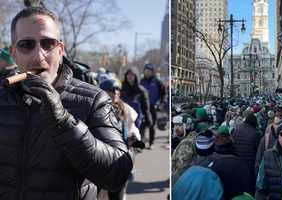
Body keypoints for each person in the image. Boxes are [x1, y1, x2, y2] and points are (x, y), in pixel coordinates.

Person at [3, 7, 132, 199]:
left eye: (48, 44)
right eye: (26, 45)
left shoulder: (94, 100)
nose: (39, 56)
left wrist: (64, 123)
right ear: (14, 53)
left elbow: (117, 175)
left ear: (60, 50)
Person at [140, 63, 166, 149]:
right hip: (143, 107)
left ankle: (151, 143)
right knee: (142, 125)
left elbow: (163, 94)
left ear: (152, 72)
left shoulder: (157, 82)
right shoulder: (141, 81)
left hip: (153, 107)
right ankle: (142, 142)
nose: (147, 73)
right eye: (145, 71)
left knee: (152, 125)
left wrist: (161, 103)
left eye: (149, 71)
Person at [120, 67, 152, 134]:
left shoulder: (142, 91)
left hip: (139, 121)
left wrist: (148, 119)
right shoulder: (121, 90)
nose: (130, 77)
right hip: (124, 120)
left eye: (132, 75)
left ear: (135, 76)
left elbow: (146, 107)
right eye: (128, 75)